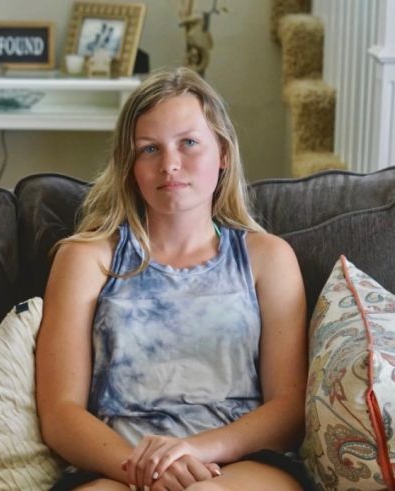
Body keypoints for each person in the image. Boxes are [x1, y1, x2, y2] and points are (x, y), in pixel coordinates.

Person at [35, 67, 311, 491]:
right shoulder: (86, 259)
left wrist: (195, 452)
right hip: (118, 466)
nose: (170, 164)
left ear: (222, 153)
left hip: (239, 463)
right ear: (130, 166)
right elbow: (60, 413)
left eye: (188, 143)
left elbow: (289, 407)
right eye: (149, 149)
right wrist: (150, 468)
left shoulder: (268, 259)